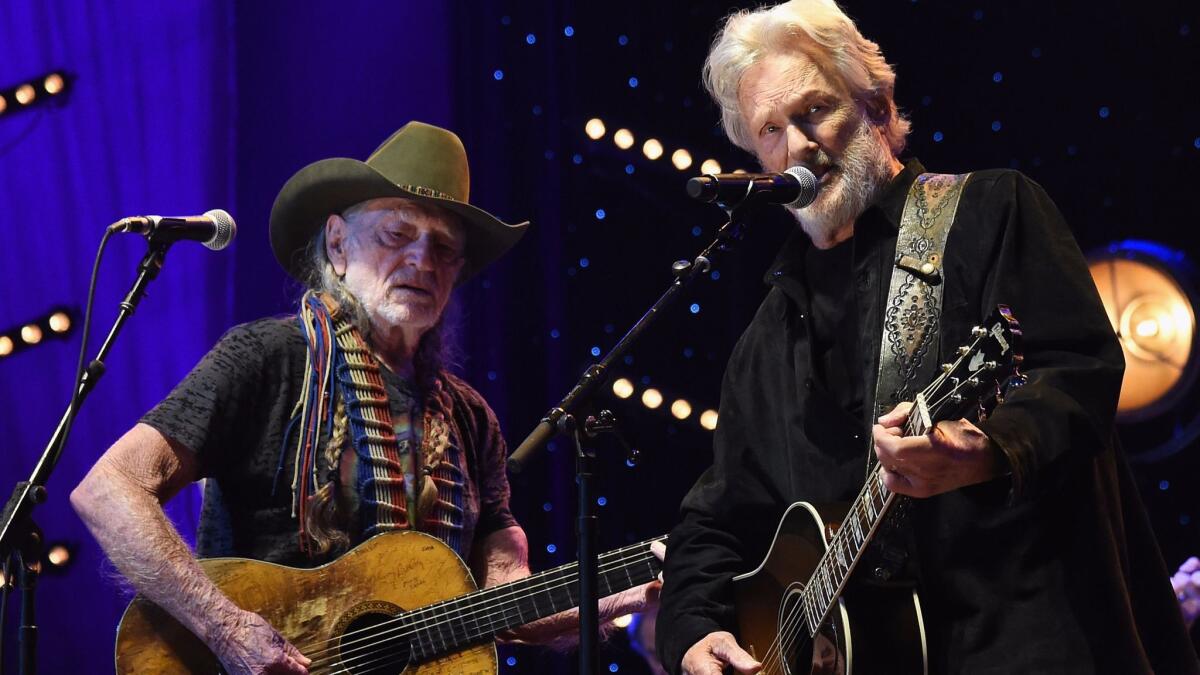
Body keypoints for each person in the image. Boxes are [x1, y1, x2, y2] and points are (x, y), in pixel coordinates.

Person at [655, 2, 1200, 673]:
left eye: (813, 110)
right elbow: (713, 516)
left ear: (878, 105)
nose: (797, 144)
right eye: (771, 129)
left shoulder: (989, 211)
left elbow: (1077, 366)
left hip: (1021, 640)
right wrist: (692, 629)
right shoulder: (766, 338)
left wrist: (992, 445)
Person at [71, 121, 655, 674]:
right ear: (337, 245)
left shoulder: (471, 419)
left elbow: (504, 591)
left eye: (444, 249)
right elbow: (109, 490)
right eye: (397, 235)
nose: (421, 260)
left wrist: (632, 587)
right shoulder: (266, 358)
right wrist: (224, 626)